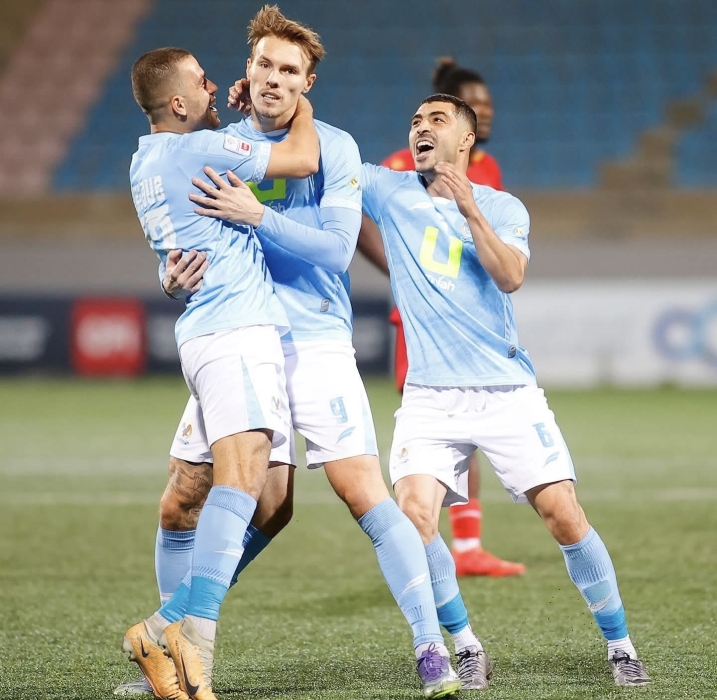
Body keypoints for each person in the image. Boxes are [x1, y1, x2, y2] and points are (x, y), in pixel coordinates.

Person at [118, 7, 465, 700]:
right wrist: (170, 279)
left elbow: (335, 252)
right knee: (199, 501)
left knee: (362, 492)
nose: (274, 78)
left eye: (289, 70)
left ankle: (432, 649)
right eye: (264, 65)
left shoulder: (332, 146)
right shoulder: (220, 142)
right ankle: (173, 657)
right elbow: (183, 236)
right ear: (246, 71)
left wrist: (259, 215)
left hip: (313, 341)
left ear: (307, 82)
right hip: (242, 338)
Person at [359, 92, 651, 688]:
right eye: (415, 120)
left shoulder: (501, 205)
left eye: (436, 120)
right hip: (429, 396)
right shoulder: (390, 191)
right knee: (414, 518)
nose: (420, 127)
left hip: (506, 391)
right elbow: (324, 153)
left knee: (564, 514)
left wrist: (469, 208)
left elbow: (510, 275)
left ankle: (620, 646)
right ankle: (465, 644)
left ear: (466, 140)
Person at [123, 44, 323, 700]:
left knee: (268, 499)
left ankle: (165, 633)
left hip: (220, 332)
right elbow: (302, 158)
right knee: (240, 483)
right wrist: (301, 96)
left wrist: (169, 277)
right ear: (178, 102)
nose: (217, 86)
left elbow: (180, 244)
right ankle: (186, 652)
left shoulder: (146, 159)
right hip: (234, 335)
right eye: (203, 81)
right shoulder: (195, 151)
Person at [361, 58, 524, 578]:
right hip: (423, 322)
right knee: (439, 423)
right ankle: (438, 542)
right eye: (476, 104)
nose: (487, 113)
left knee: (472, 425)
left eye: (489, 105)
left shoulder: (488, 171)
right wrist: (399, 266)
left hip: (472, 326)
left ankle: (468, 545)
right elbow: (365, 214)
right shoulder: (405, 165)